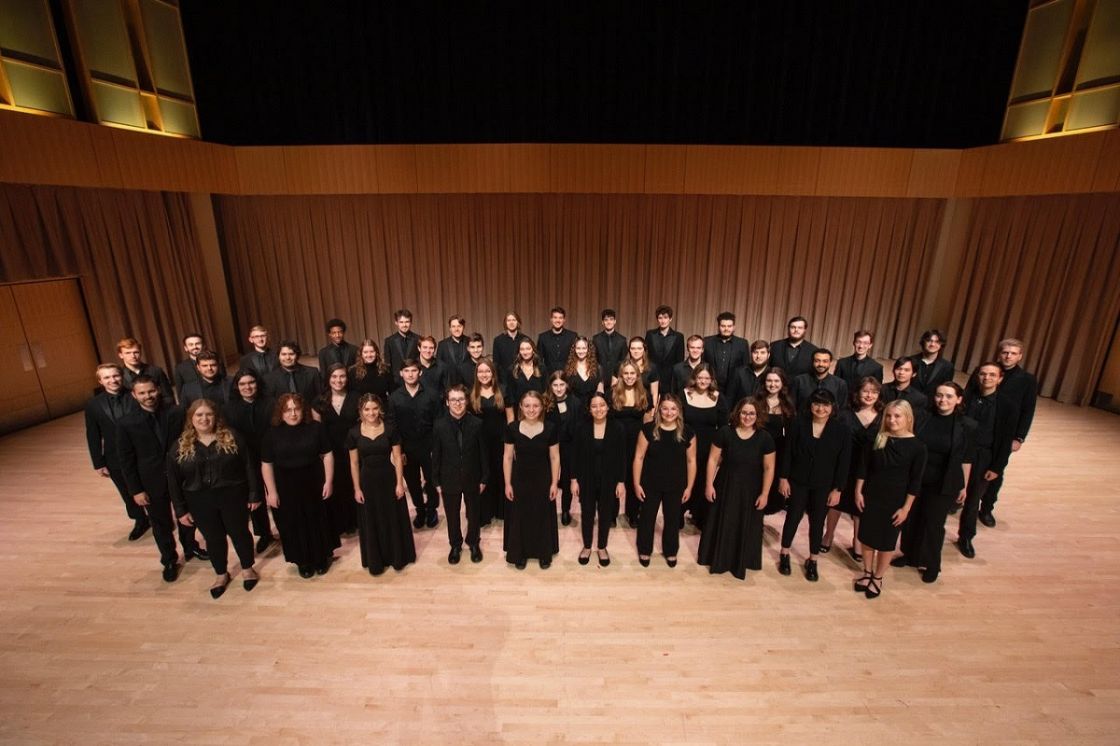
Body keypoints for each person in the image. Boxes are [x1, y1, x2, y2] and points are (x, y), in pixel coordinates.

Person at [116, 376, 205, 582]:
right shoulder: (126, 423)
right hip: (151, 481)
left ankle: (191, 547)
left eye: (151, 391)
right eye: (142, 393)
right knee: (160, 522)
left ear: (158, 389)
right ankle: (169, 559)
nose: (148, 396)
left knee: (188, 515)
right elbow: (126, 460)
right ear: (134, 395)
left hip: (180, 475)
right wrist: (135, 490)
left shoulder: (175, 413)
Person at [167, 400, 260, 597]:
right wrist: (180, 510)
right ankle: (220, 574)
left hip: (232, 495)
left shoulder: (233, 437)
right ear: (191, 419)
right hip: (199, 500)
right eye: (199, 415)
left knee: (240, 533)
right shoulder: (180, 445)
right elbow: (174, 482)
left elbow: (249, 466)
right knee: (213, 538)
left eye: (208, 414)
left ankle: (247, 568)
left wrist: (254, 493)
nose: (204, 419)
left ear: (216, 417)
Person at [894, 382, 974, 584]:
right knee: (911, 518)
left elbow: (966, 458)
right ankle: (909, 555)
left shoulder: (967, 425)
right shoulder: (922, 417)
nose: (943, 400)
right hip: (918, 478)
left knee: (934, 524)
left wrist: (964, 485)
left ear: (959, 399)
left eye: (948, 396)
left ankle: (932, 563)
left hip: (944, 481)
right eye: (939, 395)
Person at [853, 400, 927, 599]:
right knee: (866, 537)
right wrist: (858, 492)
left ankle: (878, 577)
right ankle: (867, 572)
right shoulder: (878, 438)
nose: (892, 420)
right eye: (888, 416)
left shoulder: (917, 447)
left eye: (897, 416)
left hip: (895, 500)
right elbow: (863, 467)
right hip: (871, 495)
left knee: (886, 542)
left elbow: (915, 482)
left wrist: (906, 508)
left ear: (908, 418)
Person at [260, 393, 338, 578]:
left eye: (297, 409)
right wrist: (271, 492)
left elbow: (327, 454)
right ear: (281, 412)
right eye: (288, 410)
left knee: (317, 520)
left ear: (304, 410)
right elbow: (266, 464)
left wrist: (328, 481)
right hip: (286, 486)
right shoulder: (271, 434)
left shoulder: (315, 428)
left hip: (314, 481)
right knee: (293, 524)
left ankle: (321, 557)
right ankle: (302, 561)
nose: (293, 413)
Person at [697, 398, 776, 578]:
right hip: (726, 484)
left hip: (751, 489)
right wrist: (709, 484)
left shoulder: (765, 438)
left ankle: (741, 560)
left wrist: (765, 493)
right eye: (744, 413)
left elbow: (769, 468)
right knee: (721, 521)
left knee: (745, 523)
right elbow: (712, 460)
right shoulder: (725, 432)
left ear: (757, 416)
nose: (747, 417)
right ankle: (718, 558)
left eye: (751, 413)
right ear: (737, 413)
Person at [777, 389, 851, 581]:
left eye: (825, 405)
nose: (821, 408)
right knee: (793, 517)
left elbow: (844, 462)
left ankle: (813, 559)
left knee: (817, 522)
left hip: (824, 485)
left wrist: (838, 489)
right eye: (817, 404)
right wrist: (783, 478)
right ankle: (784, 553)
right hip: (797, 481)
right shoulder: (798, 424)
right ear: (810, 405)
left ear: (832, 407)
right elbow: (787, 453)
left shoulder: (841, 430)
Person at [347, 393, 415, 575]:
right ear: (361, 411)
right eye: (367, 409)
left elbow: (398, 459)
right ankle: (376, 560)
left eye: (375, 408)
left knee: (391, 517)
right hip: (367, 480)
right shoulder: (353, 432)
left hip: (388, 478)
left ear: (380, 409)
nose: (371, 412)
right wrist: (356, 488)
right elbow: (353, 463)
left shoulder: (390, 429)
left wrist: (400, 483)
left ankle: (396, 557)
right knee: (372, 520)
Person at [957, 362, 1018, 558]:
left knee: (973, 499)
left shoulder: (1007, 405)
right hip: (960, 452)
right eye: (983, 374)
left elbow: (1005, 438)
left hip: (984, 456)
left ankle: (965, 537)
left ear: (1000, 378)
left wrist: (997, 466)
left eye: (992, 375)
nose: (987, 378)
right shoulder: (966, 398)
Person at [822, 377, 883, 563]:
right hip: (844, 465)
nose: (869, 395)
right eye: (865, 391)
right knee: (835, 503)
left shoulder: (883, 416)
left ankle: (857, 541)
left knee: (860, 506)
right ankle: (828, 535)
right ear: (857, 393)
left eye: (873, 392)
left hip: (869, 469)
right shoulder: (845, 414)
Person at [632, 394, 697, 567]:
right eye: (665, 408)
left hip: (676, 484)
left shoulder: (688, 432)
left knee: (672, 519)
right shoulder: (648, 429)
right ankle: (645, 549)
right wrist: (637, 483)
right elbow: (638, 457)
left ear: (679, 411)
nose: (669, 412)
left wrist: (689, 487)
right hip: (650, 483)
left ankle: (670, 551)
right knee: (647, 518)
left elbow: (691, 461)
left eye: (673, 408)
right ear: (660, 409)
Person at [979, 338, 1038, 527]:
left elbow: (1028, 410)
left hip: (1005, 432)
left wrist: (1019, 437)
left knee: (996, 470)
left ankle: (987, 508)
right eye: (1005, 352)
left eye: (1013, 353)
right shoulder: (987, 371)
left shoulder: (1027, 380)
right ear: (999, 353)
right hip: (981, 426)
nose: (1008, 356)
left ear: (1020, 356)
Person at [85, 363, 146, 540]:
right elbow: (93, 435)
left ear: (121, 376)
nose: (113, 380)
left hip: (140, 452)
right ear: (100, 381)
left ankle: (158, 518)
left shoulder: (136, 395)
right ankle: (140, 519)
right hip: (114, 456)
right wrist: (98, 462)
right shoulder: (93, 405)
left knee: (147, 486)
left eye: (115, 376)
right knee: (126, 491)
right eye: (107, 377)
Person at [503, 391, 561, 569]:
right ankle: (521, 553)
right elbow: (507, 457)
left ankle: (544, 553)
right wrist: (507, 484)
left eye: (535, 405)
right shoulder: (512, 428)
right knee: (521, 515)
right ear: (520, 407)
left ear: (542, 407)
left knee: (542, 515)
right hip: (520, 479)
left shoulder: (550, 428)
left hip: (542, 479)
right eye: (527, 405)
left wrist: (554, 483)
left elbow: (555, 457)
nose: (531, 409)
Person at [431, 385, 489, 564]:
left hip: (472, 476)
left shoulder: (477, 424)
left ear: (467, 401)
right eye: (454, 400)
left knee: (473, 513)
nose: (458, 403)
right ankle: (455, 544)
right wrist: (436, 480)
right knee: (452, 514)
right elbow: (436, 454)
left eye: (461, 399)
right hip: (449, 477)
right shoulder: (439, 425)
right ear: (447, 402)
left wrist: (484, 477)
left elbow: (483, 454)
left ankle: (473, 542)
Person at [222, 368, 276, 553]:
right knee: (256, 497)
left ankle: (285, 527)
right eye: (243, 384)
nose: (248, 387)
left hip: (272, 456)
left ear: (257, 384)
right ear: (237, 387)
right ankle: (264, 534)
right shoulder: (228, 409)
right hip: (245, 460)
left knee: (277, 494)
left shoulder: (271, 403)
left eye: (251, 383)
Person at [570, 393, 626, 567]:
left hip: (609, 479)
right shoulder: (581, 427)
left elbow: (623, 457)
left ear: (608, 407)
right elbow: (574, 456)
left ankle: (602, 547)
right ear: (589, 409)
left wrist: (621, 481)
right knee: (587, 513)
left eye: (602, 405)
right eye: (594, 406)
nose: (598, 409)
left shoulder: (618, 427)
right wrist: (574, 479)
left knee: (605, 514)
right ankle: (587, 546)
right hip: (586, 478)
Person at [387, 359, 441, 529]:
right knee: (412, 481)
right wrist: (398, 451)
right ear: (401, 373)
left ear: (420, 372)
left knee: (432, 480)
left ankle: (432, 509)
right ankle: (420, 509)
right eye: (407, 371)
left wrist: (436, 448)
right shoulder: (395, 397)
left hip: (428, 445)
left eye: (413, 371)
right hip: (406, 448)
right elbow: (393, 425)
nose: (410, 374)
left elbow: (439, 422)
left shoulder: (432, 394)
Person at [313, 364, 360, 537]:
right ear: (328, 379)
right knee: (338, 486)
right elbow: (317, 430)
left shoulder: (356, 397)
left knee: (355, 483)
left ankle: (357, 521)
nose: (338, 380)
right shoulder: (319, 401)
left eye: (342, 376)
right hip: (331, 452)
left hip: (354, 449)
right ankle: (341, 523)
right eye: (334, 377)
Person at [680, 364, 729, 530]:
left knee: (703, 480)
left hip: (709, 446)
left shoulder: (718, 397)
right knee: (683, 479)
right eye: (700, 377)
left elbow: (723, 426)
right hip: (686, 444)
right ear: (694, 378)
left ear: (712, 380)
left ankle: (700, 515)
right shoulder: (684, 394)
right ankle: (678, 513)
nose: (703, 381)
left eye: (707, 378)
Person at [610, 361, 653, 526]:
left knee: (635, 477)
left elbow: (648, 421)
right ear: (621, 375)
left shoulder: (644, 394)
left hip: (637, 442)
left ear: (637, 375)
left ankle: (633, 513)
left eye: (632, 373)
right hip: (615, 442)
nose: (629, 377)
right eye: (626, 373)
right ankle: (611, 514)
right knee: (615, 477)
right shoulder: (612, 393)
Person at [469, 358, 507, 526]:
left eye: (487, 371)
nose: (484, 375)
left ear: (493, 373)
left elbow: (511, 418)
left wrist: (510, 443)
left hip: (500, 441)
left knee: (500, 474)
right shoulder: (472, 395)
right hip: (480, 444)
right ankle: (485, 512)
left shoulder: (503, 391)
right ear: (476, 374)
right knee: (484, 475)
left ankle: (501, 511)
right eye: (480, 372)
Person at [754, 369, 795, 516]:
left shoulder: (788, 406)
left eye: (776, 381)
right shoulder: (756, 402)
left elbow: (790, 437)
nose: (772, 384)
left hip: (778, 453)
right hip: (756, 452)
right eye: (769, 381)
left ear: (782, 383)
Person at [545, 371, 583, 526]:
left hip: (569, 445)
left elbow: (579, 427)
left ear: (567, 385)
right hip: (550, 445)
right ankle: (547, 509)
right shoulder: (546, 402)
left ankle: (566, 509)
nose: (559, 388)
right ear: (550, 386)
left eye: (562, 384)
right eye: (555, 385)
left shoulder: (576, 403)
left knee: (567, 477)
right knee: (548, 477)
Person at [791, 348, 848, 413]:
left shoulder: (840, 384)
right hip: (801, 421)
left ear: (830, 363)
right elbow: (791, 406)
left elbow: (842, 409)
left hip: (830, 422)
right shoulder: (799, 380)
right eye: (817, 361)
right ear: (812, 362)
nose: (821, 364)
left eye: (825, 361)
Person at [703, 311, 748, 391]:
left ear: (734, 327)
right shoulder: (707, 342)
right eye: (723, 326)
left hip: (733, 389)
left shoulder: (742, 343)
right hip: (709, 387)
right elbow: (702, 364)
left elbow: (745, 367)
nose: (726, 329)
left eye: (729, 326)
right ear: (718, 326)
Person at [505, 339, 545, 421]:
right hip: (519, 414)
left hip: (538, 414)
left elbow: (545, 393)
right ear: (519, 351)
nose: (525, 352)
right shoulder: (512, 370)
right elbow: (509, 398)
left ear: (533, 350)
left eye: (528, 348)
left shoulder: (542, 368)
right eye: (522, 349)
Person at [909, 329, 956, 395]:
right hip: (910, 401)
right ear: (923, 342)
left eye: (937, 342)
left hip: (932, 403)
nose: (932, 344)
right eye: (929, 341)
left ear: (941, 344)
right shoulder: (910, 360)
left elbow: (945, 390)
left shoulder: (947, 367)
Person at [492, 311, 530, 388]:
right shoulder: (498, 340)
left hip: (522, 378)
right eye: (509, 320)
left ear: (518, 322)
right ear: (505, 323)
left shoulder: (525, 339)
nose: (511, 323)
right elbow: (496, 363)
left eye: (514, 320)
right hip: (504, 381)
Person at [537, 306, 578, 375]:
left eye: (560, 318)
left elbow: (576, 357)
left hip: (568, 375)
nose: (557, 320)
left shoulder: (573, 336)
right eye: (555, 317)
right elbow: (539, 359)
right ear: (551, 319)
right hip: (549, 376)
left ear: (564, 320)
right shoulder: (543, 337)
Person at [726, 340, 770, 404]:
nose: (758, 356)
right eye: (755, 352)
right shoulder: (739, 372)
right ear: (751, 354)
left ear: (768, 355)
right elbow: (729, 398)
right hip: (740, 412)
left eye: (762, 353)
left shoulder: (772, 374)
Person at [645, 305, 685, 375]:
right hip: (652, 374)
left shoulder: (678, 336)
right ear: (657, 319)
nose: (663, 321)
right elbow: (646, 355)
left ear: (670, 319)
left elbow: (680, 360)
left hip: (671, 376)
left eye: (665, 317)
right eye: (660, 318)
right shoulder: (650, 334)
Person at [592, 309, 628, 386]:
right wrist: (599, 378)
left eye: (611, 319)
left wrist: (616, 375)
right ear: (602, 322)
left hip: (616, 379)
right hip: (599, 378)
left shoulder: (622, 340)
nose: (609, 322)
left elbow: (623, 361)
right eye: (606, 320)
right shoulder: (596, 339)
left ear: (615, 321)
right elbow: (593, 360)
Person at [384, 309, 421, 381]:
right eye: (401, 322)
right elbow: (387, 364)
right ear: (396, 323)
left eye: (407, 322)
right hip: (396, 381)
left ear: (411, 322)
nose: (404, 325)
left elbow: (421, 361)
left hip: (415, 380)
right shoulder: (389, 341)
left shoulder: (418, 339)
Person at [563, 336, 603, 401]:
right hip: (573, 408)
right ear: (574, 350)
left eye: (584, 348)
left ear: (588, 349)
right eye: (578, 348)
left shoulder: (598, 368)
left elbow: (600, 393)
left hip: (592, 408)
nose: (581, 351)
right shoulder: (568, 369)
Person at [173, 332, 210, 400]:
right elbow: (180, 393)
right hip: (194, 405)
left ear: (204, 345)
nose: (194, 347)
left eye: (197, 344)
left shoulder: (216, 362)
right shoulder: (180, 368)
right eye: (191, 345)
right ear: (186, 348)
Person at [625, 336, 660, 406]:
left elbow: (654, 393)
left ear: (644, 350)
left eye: (639, 348)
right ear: (629, 350)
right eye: (633, 348)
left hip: (645, 407)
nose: (636, 351)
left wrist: (653, 411)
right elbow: (615, 390)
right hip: (625, 406)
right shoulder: (622, 366)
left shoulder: (652, 368)